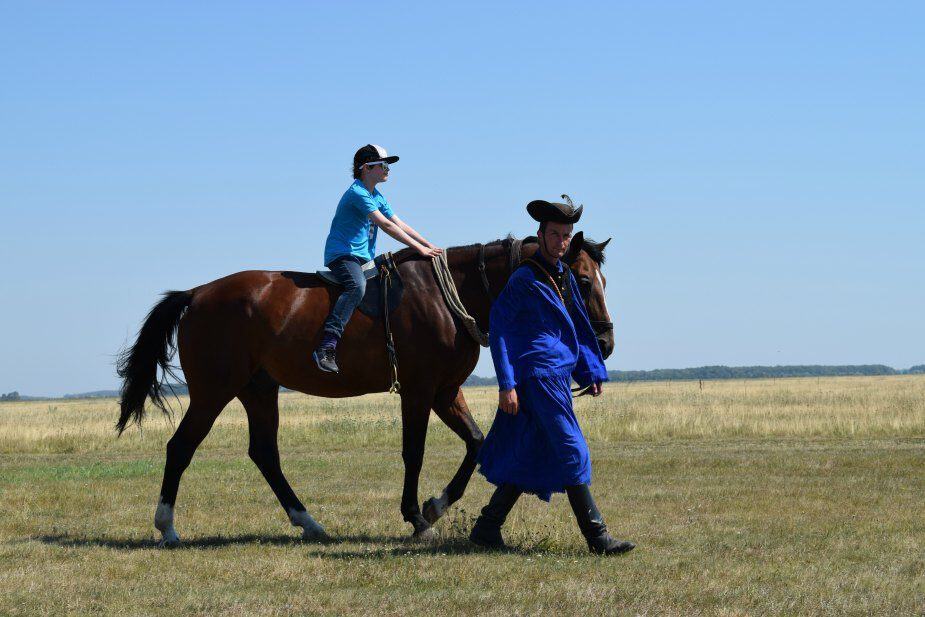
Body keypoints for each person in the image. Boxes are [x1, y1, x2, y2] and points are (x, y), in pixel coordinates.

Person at [470, 197, 635, 555]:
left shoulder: (565, 275)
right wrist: (506, 384)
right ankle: (598, 538)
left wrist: (590, 370)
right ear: (540, 235)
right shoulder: (524, 279)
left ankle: (486, 528)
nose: (561, 241)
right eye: (555, 234)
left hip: (557, 376)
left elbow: (576, 323)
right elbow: (498, 328)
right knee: (572, 450)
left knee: (530, 449)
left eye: (566, 235)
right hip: (538, 377)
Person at [313, 145, 442, 373]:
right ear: (366, 167)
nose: (387, 169)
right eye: (383, 164)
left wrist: (427, 244)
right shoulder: (358, 193)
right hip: (344, 254)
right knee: (356, 287)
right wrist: (419, 249)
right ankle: (326, 346)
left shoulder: (376, 195)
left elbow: (399, 222)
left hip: (363, 258)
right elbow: (386, 225)